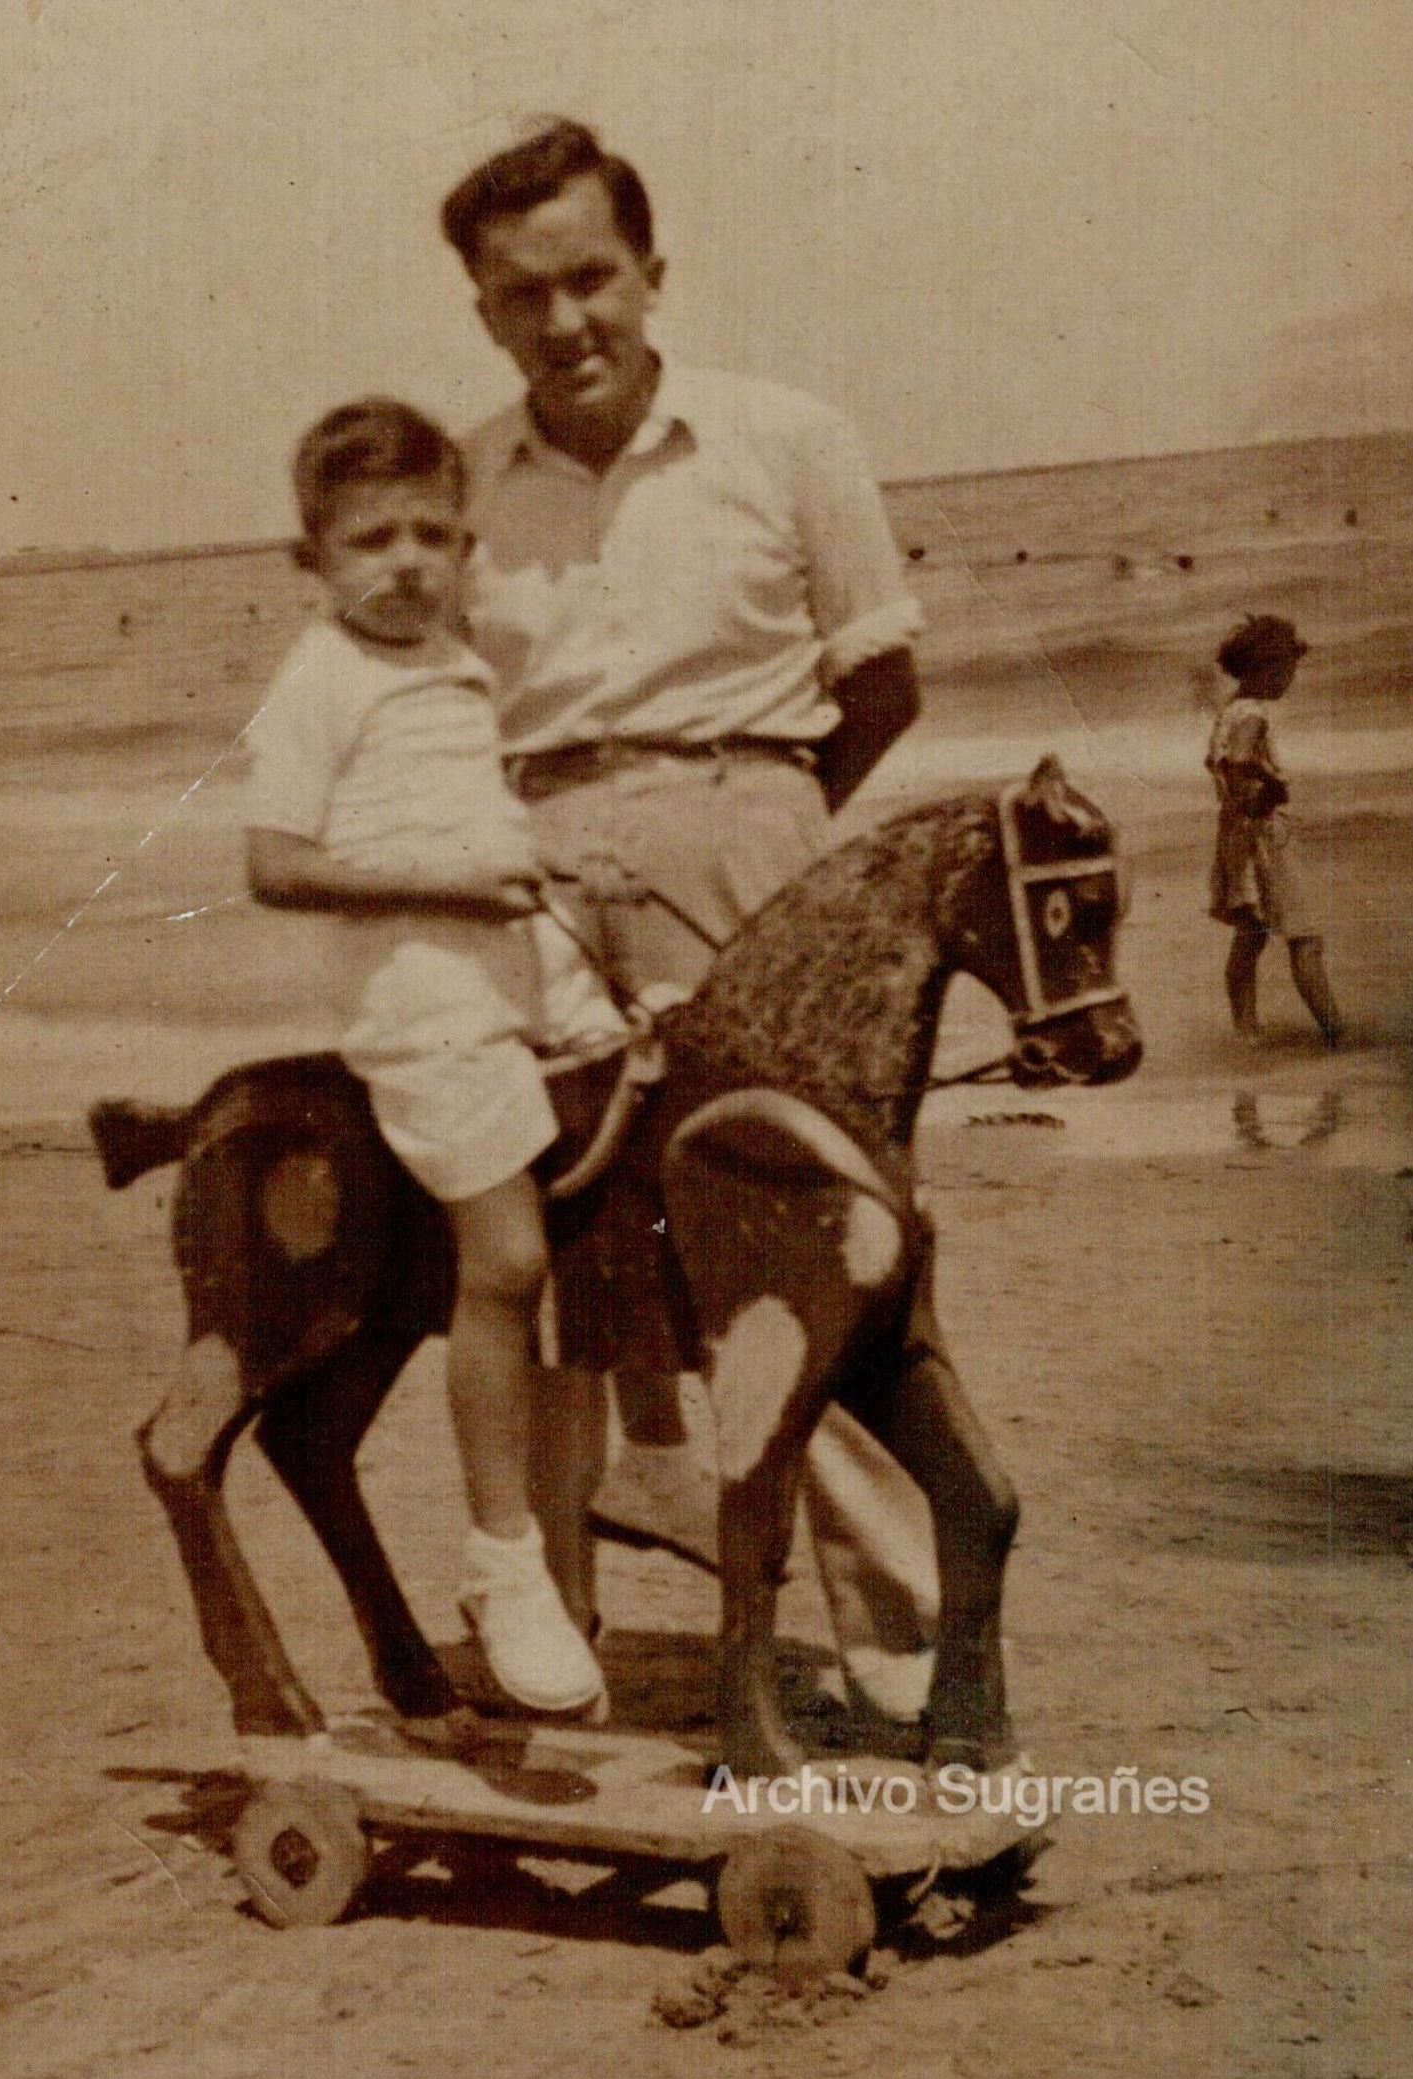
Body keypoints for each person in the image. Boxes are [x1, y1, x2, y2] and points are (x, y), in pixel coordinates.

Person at [439, 120, 936, 1732]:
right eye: (526, 296)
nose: (567, 320)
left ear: (653, 274)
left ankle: (898, 1623)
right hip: (535, 871)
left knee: (803, 1240)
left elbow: (881, 686)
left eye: (593, 277)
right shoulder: (458, 489)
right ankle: (561, 1631)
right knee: (565, 1247)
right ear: (485, 313)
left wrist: (762, 842)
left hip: (747, 843)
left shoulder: (786, 439)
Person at [243, 396, 621, 1716]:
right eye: (368, 540)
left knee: (648, 1160)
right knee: (508, 1259)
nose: (403, 561)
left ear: (468, 547)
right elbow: (276, 865)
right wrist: (454, 886)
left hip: (525, 977)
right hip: (422, 1002)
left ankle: (646, 1465)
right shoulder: (321, 679)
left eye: (430, 534)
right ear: (314, 561)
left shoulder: (456, 660)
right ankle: (503, 1560)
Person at [1206, 613, 1342, 1049]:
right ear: (1266, 668)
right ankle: (1336, 1035)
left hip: (1235, 834)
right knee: (1305, 938)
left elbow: (1219, 763)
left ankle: (1246, 1032)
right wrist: (1273, 781)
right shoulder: (1252, 714)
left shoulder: (1227, 712)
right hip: (1264, 834)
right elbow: (1241, 758)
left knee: (1251, 935)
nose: (1289, 680)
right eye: (1287, 671)